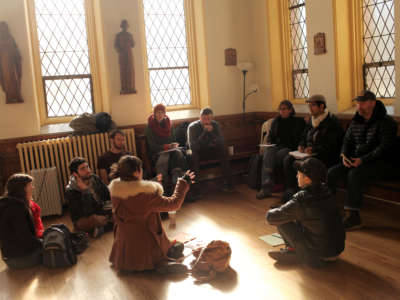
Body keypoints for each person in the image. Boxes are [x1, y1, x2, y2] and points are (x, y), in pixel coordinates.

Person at [108, 155, 194, 272]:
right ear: (137, 172)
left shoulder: (116, 190)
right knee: (179, 246)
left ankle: (137, 265)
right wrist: (183, 183)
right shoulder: (145, 195)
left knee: (173, 244)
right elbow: (174, 203)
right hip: (146, 247)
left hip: (125, 247)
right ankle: (159, 264)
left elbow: (135, 201)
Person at [327, 90, 397, 230]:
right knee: (332, 172)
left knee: (355, 174)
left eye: (363, 102)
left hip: (381, 163)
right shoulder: (356, 121)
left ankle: (353, 217)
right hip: (358, 160)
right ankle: (328, 210)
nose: (359, 106)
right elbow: (347, 141)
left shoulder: (386, 122)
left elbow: (384, 148)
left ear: (372, 103)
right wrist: (343, 156)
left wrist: (363, 160)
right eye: (358, 102)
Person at [266, 158, 345, 268]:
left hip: (318, 254)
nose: (296, 176)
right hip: (336, 250)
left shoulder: (302, 199)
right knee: (296, 217)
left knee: (282, 222)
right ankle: (295, 251)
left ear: (307, 179)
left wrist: (283, 209)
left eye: (299, 174)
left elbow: (271, 217)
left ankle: (296, 253)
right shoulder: (327, 191)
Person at [282, 95, 343, 198]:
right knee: (288, 159)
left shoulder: (332, 122)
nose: (310, 108)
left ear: (322, 106)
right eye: (309, 105)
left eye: (313, 105)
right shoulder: (311, 121)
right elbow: (303, 136)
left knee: (304, 164)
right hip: (309, 154)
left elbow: (333, 145)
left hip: (324, 156)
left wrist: (315, 149)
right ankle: (292, 191)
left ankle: (307, 195)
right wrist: (301, 145)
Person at [257, 100, 306, 199]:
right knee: (268, 151)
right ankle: (265, 188)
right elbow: (271, 136)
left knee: (273, 156)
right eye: (280, 109)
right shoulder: (276, 121)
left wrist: (301, 145)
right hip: (277, 146)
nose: (281, 111)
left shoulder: (298, 121)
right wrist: (269, 142)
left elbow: (303, 137)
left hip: (290, 148)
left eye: (284, 109)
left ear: (290, 110)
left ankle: (269, 176)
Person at [187, 107, 234, 194]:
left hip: (211, 151)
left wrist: (212, 132)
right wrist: (204, 132)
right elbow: (193, 146)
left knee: (224, 150)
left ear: (212, 118)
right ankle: (196, 188)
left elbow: (221, 141)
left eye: (209, 119)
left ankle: (227, 183)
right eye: (204, 118)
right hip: (198, 152)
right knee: (193, 155)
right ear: (200, 118)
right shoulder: (192, 127)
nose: (207, 121)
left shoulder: (215, 125)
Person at [0, 174, 42, 269]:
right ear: (22, 189)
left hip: (8, 258)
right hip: (23, 259)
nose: (33, 187)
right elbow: (25, 238)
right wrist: (42, 242)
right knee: (56, 245)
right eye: (30, 185)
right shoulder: (18, 207)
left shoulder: (4, 203)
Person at [145, 104, 188, 194]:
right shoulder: (150, 126)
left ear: (164, 114)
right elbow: (152, 146)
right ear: (154, 114)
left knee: (179, 154)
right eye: (157, 113)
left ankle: (179, 187)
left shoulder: (169, 124)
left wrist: (173, 145)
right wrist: (166, 147)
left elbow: (173, 140)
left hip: (170, 150)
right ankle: (163, 189)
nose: (159, 115)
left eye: (161, 112)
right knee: (165, 158)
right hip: (157, 152)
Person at [65, 157, 113, 237]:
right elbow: (87, 212)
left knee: (120, 210)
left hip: (101, 211)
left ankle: (101, 228)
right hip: (84, 218)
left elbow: (107, 195)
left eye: (87, 167)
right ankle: (106, 225)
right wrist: (85, 191)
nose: (88, 170)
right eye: (83, 169)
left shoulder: (94, 178)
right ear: (75, 174)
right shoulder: (71, 190)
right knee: (95, 219)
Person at [114, 19, 136, 94]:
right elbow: (116, 45)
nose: (125, 27)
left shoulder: (130, 35)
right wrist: (119, 49)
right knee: (123, 70)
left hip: (129, 54)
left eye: (126, 26)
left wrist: (128, 43)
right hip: (122, 54)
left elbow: (133, 44)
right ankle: (124, 87)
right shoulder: (118, 35)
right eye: (123, 26)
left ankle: (131, 86)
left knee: (130, 70)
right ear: (121, 26)